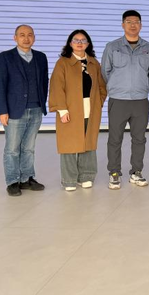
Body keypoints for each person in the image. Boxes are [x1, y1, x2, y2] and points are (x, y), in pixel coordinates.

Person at [101, 10, 149, 190]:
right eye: (129, 21)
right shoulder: (112, 47)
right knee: (114, 139)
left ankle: (136, 172)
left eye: (136, 22)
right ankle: (114, 173)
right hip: (118, 100)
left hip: (140, 100)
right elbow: (105, 71)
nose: (133, 25)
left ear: (141, 25)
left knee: (139, 139)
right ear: (122, 24)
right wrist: (117, 87)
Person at [0, 25, 49, 197]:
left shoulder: (41, 57)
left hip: (36, 109)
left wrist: (42, 103)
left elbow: (44, 83)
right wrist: (2, 110)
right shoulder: (5, 57)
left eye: (30, 35)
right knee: (12, 148)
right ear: (15, 38)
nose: (26, 38)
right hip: (14, 111)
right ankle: (12, 181)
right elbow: (0, 85)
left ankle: (26, 178)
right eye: (22, 35)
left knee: (29, 148)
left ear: (34, 38)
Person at [49, 30, 107, 191]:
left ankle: (86, 176)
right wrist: (62, 110)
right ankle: (69, 180)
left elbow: (102, 86)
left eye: (83, 40)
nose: (80, 43)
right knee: (68, 145)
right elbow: (56, 87)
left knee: (88, 143)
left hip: (91, 110)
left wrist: (99, 103)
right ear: (70, 43)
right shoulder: (63, 63)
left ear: (88, 44)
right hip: (70, 110)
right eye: (76, 40)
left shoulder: (94, 63)